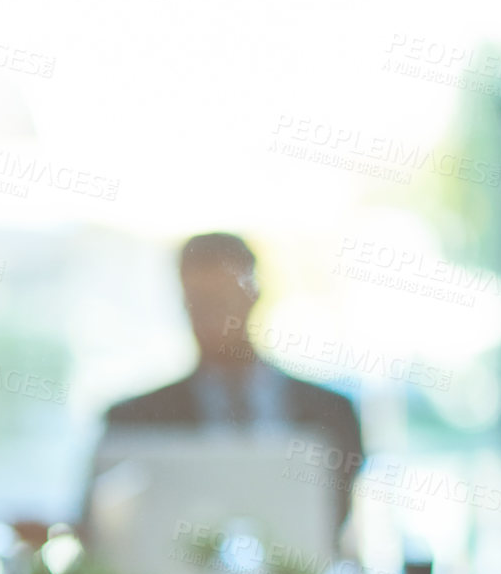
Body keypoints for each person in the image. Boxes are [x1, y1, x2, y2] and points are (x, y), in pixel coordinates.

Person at [85, 232, 364, 550]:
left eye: (222, 299)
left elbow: (335, 531)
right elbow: (101, 531)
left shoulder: (331, 414)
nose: (210, 318)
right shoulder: (131, 421)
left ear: (254, 295)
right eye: (197, 301)